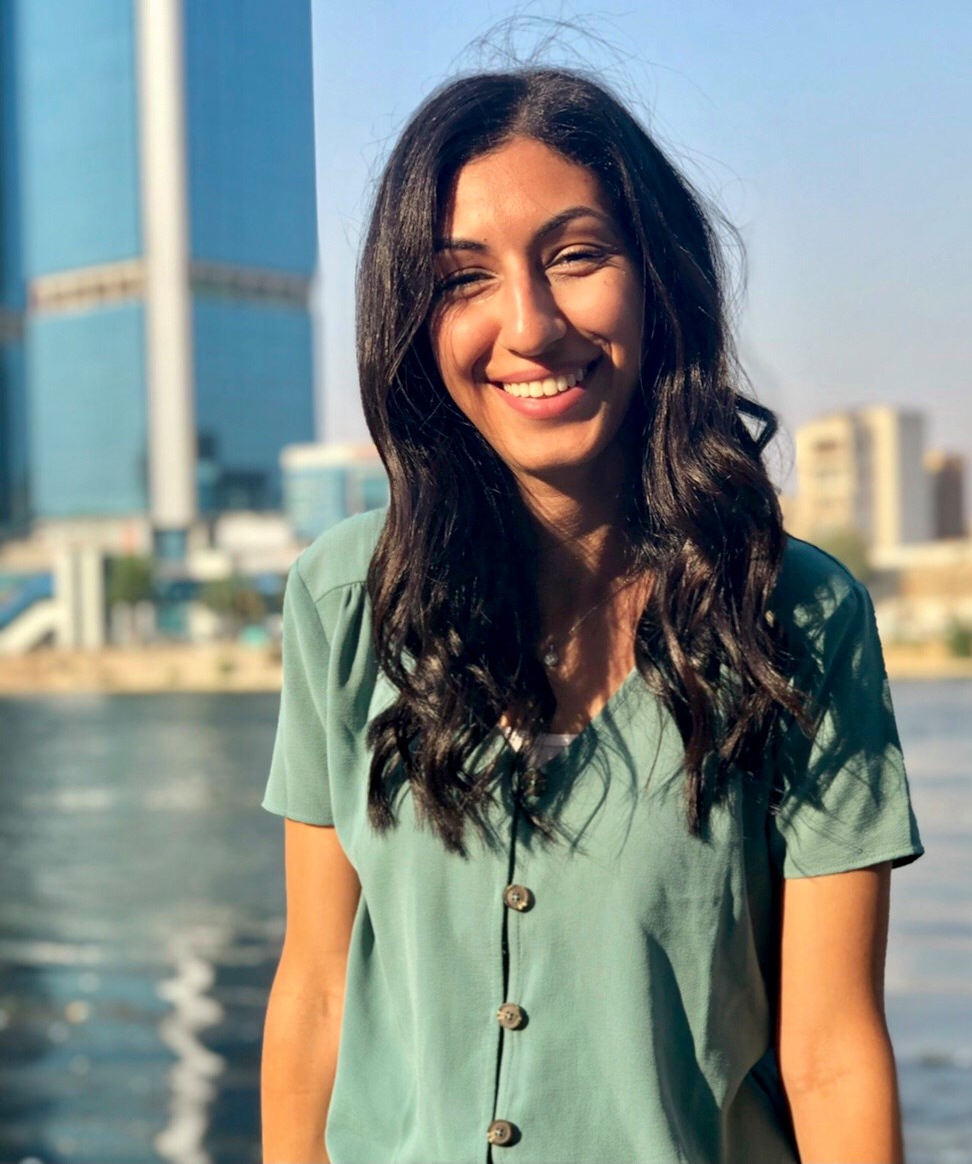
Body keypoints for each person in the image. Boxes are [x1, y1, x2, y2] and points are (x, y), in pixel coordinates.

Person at [260, 67, 924, 1164]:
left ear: (657, 278)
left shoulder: (797, 617)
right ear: (413, 325)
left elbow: (833, 1051)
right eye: (463, 279)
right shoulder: (343, 599)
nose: (530, 325)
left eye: (575, 257)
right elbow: (318, 992)